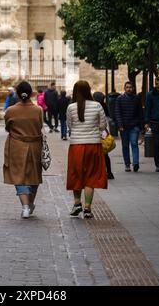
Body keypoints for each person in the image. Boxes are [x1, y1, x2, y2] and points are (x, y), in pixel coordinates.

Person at [66, 80, 107, 219]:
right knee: (91, 176)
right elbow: (102, 125)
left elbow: (70, 126)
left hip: (76, 145)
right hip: (93, 145)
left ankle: (77, 203)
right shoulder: (97, 106)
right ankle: (87, 208)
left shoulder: (71, 107)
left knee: (76, 175)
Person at [3, 81, 43, 219]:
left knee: (18, 174)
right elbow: (40, 126)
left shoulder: (10, 110)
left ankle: (25, 206)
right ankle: (30, 203)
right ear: (31, 93)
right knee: (34, 175)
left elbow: (7, 127)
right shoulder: (38, 110)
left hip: (16, 146)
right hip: (35, 146)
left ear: (18, 94)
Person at [93, 91, 115, 180]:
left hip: (96, 131)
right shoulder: (104, 106)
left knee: (96, 154)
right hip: (104, 132)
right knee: (105, 154)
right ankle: (109, 172)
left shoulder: (94, 107)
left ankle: (98, 172)